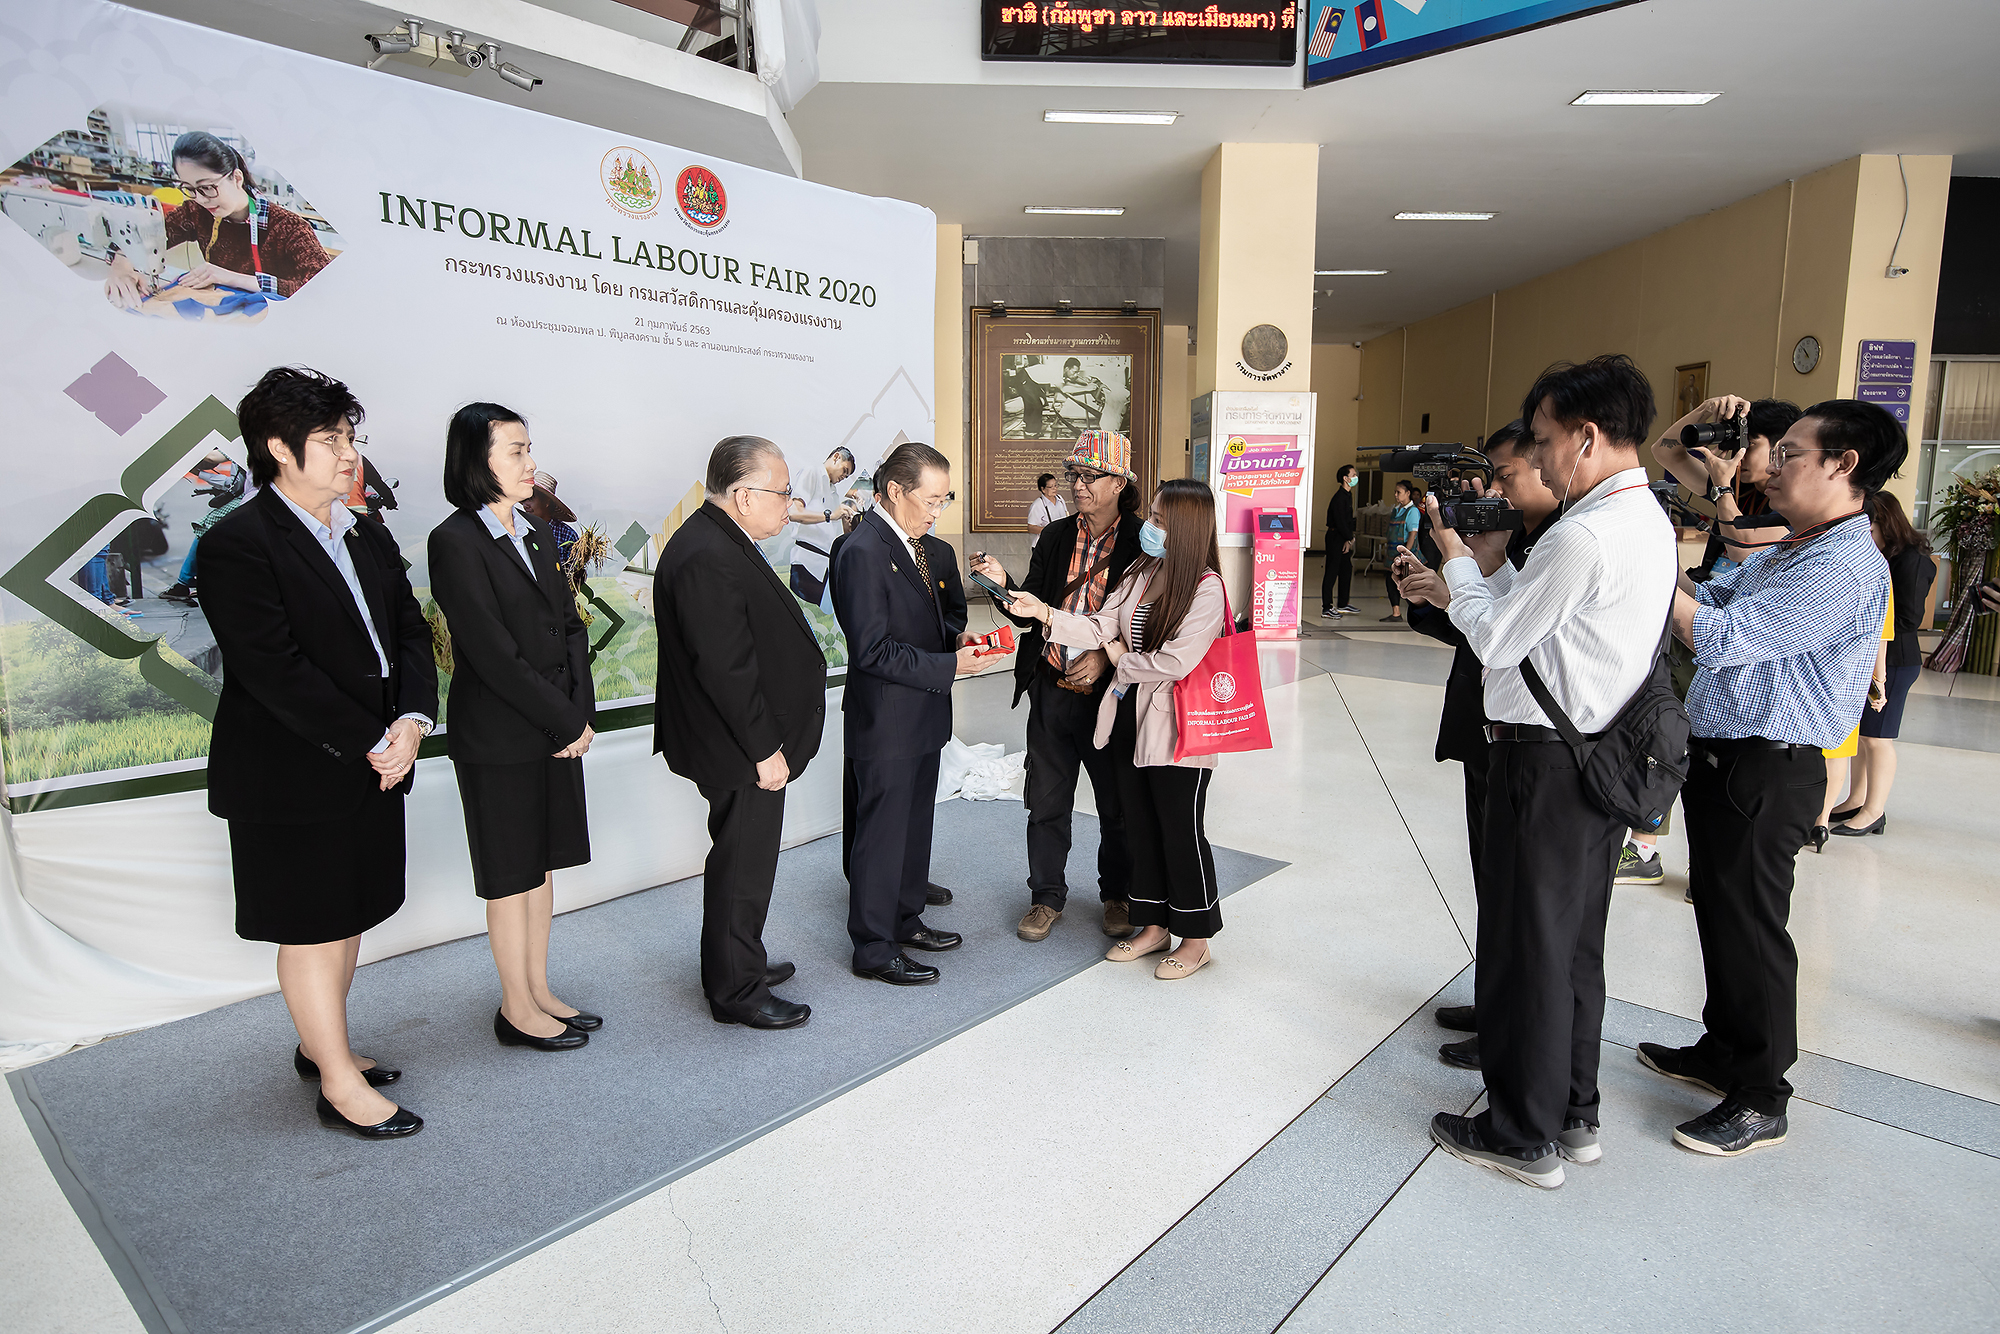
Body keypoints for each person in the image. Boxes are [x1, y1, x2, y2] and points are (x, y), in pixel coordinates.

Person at [1405, 354, 1676, 1189]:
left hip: (1546, 765)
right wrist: (1494, 562)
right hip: (1594, 755)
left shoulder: (1583, 534)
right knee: (1574, 947)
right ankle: (1573, 1113)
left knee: (1530, 949)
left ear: (1587, 437)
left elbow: (1496, 639)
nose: (1540, 459)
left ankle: (1521, 1133)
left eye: (1546, 440)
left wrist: (1456, 557)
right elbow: (1554, 625)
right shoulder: (1643, 519)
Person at [1639, 400, 1899, 1158]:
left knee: (1753, 929)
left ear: (1843, 465)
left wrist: (1637, 572)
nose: (1772, 466)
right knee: (1721, 914)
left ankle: (1761, 1094)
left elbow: (1726, 636)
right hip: (1728, 757)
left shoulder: (1846, 565)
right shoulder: (1797, 547)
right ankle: (1723, 1049)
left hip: (1770, 767)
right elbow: (1720, 595)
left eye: (1789, 453)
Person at [200, 367, 436, 1140]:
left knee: (348, 910)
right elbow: (273, 669)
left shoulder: (364, 529)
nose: (348, 454)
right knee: (311, 925)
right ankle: (338, 1082)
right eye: (330, 440)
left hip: (376, 760)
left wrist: (411, 721)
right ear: (279, 448)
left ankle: (321, 1044)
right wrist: (373, 740)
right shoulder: (237, 543)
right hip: (291, 772)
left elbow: (409, 630)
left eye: (350, 438)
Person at [1007, 479, 1229, 979]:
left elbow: (1174, 661)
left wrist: (1117, 660)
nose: (1151, 527)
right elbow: (1101, 623)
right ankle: (1153, 926)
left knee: (1179, 831)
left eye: (1160, 520)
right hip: (1128, 719)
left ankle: (1195, 939)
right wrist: (1044, 613)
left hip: (1176, 729)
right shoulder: (1143, 570)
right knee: (1142, 827)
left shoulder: (1206, 586)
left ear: (1186, 527)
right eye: (1153, 516)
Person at [428, 404, 598, 1054]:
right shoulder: (454, 540)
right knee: (511, 875)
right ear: (478, 460)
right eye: (516, 451)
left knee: (542, 866)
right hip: (500, 735)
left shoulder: (533, 530)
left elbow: (570, 626)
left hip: (554, 728)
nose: (530, 463)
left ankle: (538, 989)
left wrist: (579, 711)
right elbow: (491, 652)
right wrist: (564, 718)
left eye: (529, 449)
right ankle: (515, 1008)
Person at [1397, 421, 1561, 1072]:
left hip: (1532, 737)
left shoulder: (1560, 545)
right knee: (1492, 882)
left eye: (1506, 476)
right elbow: (1476, 628)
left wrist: (1471, 570)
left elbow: (1508, 637)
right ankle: (1494, 1001)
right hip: (1486, 728)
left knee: (1519, 893)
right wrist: (1438, 594)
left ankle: (1511, 1021)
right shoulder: (1512, 537)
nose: (1494, 492)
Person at [655, 437, 828, 1027]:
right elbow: (725, 668)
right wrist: (764, 748)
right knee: (742, 866)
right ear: (744, 495)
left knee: (745, 860)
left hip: (738, 740)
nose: (790, 503)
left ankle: (738, 959)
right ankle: (736, 990)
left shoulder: (720, 538)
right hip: (738, 746)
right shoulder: (707, 552)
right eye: (782, 492)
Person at [971, 431, 1143, 944]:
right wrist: (1003, 585)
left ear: (1119, 483)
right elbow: (1031, 611)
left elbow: (1149, 623)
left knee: (1117, 805)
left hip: (1110, 698)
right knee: (1045, 800)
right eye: (1074, 475)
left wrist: (1105, 658)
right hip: (1050, 689)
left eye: (1090, 476)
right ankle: (1046, 896)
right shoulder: (1054, 536)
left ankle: (1117, 894)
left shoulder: (1141, 541)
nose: (1078, 485)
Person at [831, 442, 980, 986]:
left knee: (914, 826)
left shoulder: (913, 545)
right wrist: (951, 666)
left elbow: (925, 621)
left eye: (945, 499)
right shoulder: (863, 550)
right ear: (895, 491)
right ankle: (873, 947)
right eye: (931, 499)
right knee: (882, 834)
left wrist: (960, 644)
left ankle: (905, 919)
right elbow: (871, 650)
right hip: (886, 718)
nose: (938, 510)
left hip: (921, 712)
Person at [103, 132, 330, 308]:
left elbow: (324, 288)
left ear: (237, 178)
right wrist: (122, 267)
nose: (201, 199)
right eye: (190, 189)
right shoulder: (196, 212)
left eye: (207, 187)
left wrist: (233, 278)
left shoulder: (288, 227)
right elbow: (141, 237)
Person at [1832, 490, 1933, 836]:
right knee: (1864, 735)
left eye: (1870, 528)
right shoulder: (1884, 554)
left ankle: (1874, 811)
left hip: (1897, 661)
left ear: (1885, 524)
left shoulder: (1912, 560)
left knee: (1879, 738)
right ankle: (1857, 799)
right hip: (1874, 657)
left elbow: (1907, 618)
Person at [786, 447, 859, 607]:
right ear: (836, 457)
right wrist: (830, 515)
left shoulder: (833, 492)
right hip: (807, 565)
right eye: (844, 470)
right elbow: (794, 513)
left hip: (826, 566)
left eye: (847, 476)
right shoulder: (812, 473)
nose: (843, 477)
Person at [1321, 464, 1358, 618]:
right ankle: (1327, 607)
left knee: (1346, 569)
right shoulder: (1339, 498)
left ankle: (1343, 603)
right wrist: (1349, 537)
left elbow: (1348, 520)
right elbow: (1340, 521)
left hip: (1343, 537)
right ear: (1345, 478)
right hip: (1335, 536)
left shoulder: (1348, 496)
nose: (1355, 477)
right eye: (1353, 475)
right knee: (1332, 571)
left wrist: (1348, 539)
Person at [1381, 480, 1420, 621]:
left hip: (1403, 553)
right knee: (1390, 581)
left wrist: (1406, 554)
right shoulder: (1395, 510)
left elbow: (1412, 534)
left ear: (1408, 493)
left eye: (1399, 492)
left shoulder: (1412, 511)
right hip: (1392, 552)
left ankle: (1419, 614)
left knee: (1408, 583)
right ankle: (1396, 613)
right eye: (1395, 492)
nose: (1396, 495)